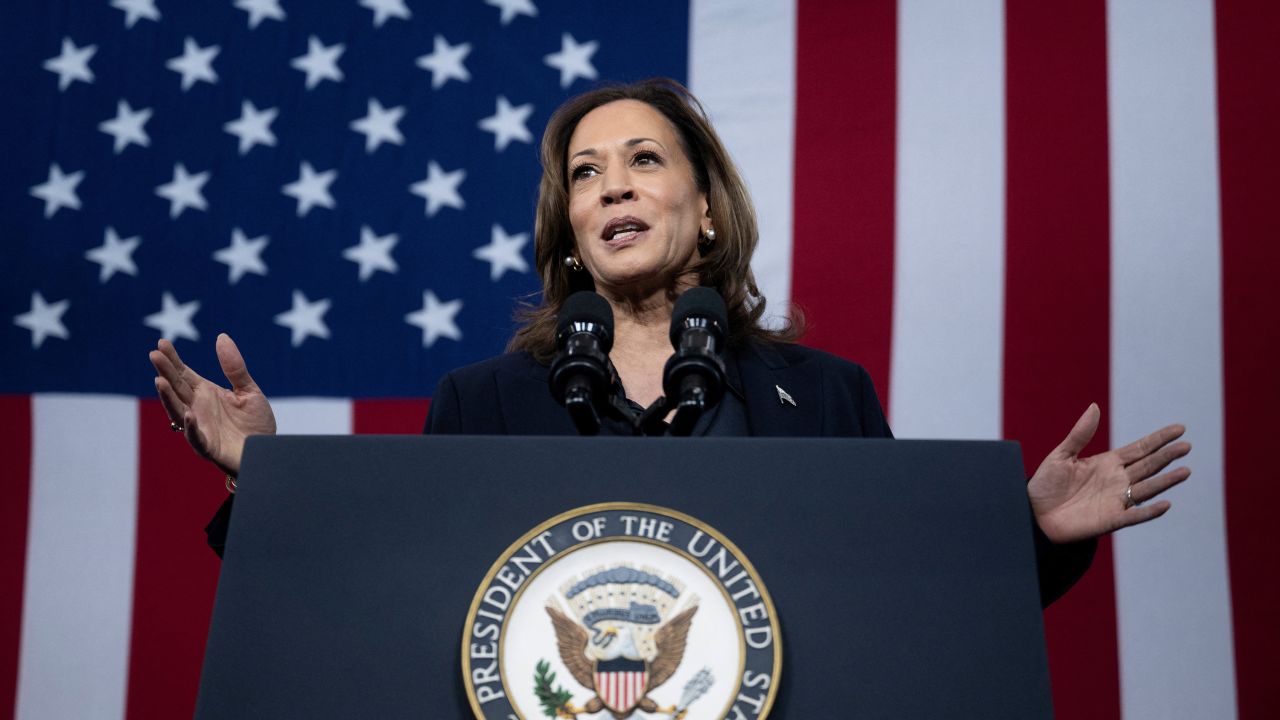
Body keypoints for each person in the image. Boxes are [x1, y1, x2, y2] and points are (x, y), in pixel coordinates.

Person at [149, 79, 1191, 606]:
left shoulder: (823, 393)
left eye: (643, 159)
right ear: (569, 228)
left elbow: (895, 588)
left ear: (703, 213)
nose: (611, 182)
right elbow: (398, 591)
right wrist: (263, 479)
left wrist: (1029, 534)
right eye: (586, 173)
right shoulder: (481, 399)